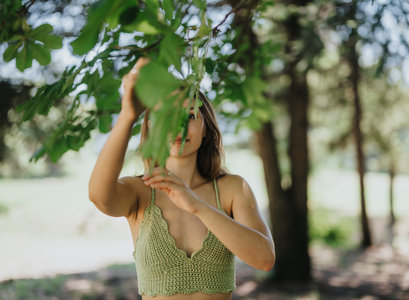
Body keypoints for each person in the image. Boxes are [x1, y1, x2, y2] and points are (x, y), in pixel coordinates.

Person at [88, 58, 275, 300]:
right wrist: (127, 116)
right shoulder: (141, 192)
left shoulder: (233, 189)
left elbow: (264, 259)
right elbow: (99, 197)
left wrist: (197, 205)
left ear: (205, 126)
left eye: (189, 116)